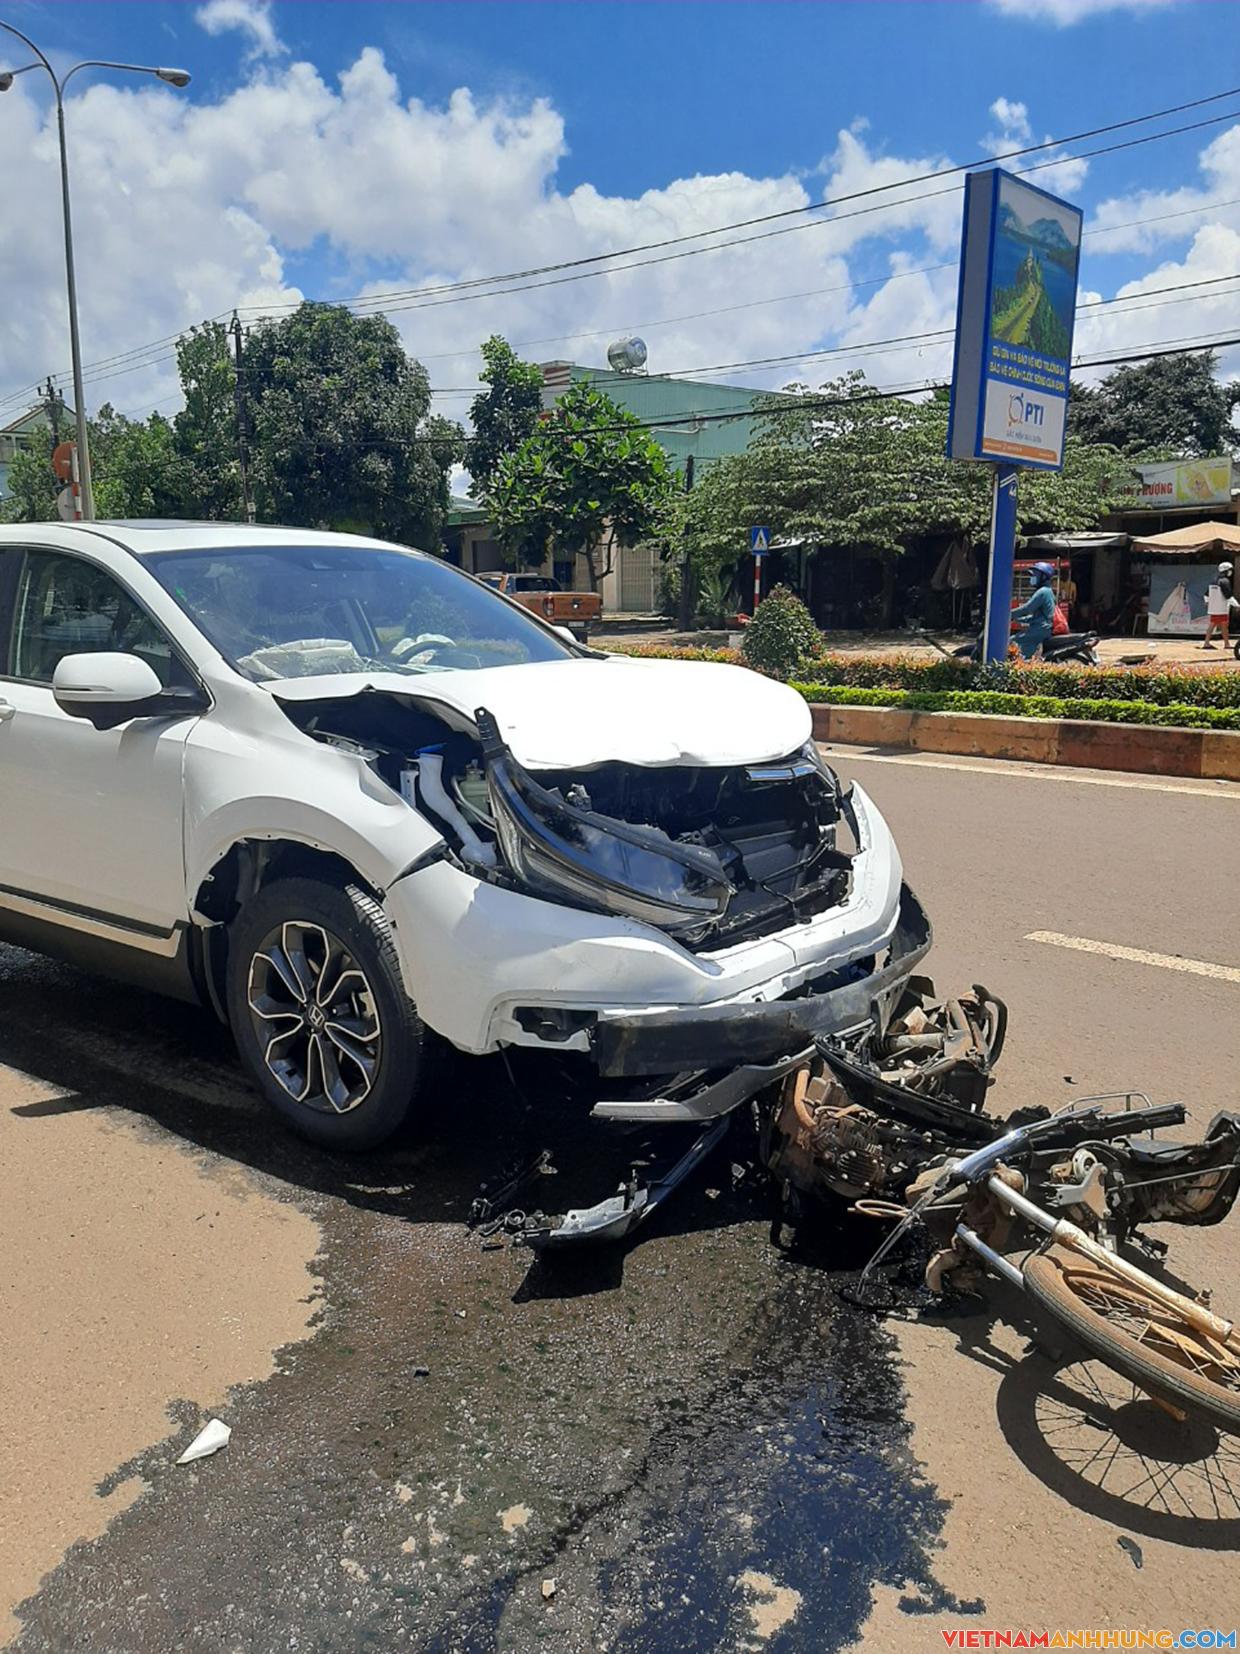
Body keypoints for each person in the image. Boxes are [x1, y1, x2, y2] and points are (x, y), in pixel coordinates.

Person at [1010, 561, 1058, 659]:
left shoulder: (1042, 592)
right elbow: (1037, 616)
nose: (1032, 578)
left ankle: (1019, 668)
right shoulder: (1048, 591)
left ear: (1043, 577)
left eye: (1035, 575)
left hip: (1039, 629)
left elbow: (1027, 608)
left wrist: (1008, 614)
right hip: (1042, 628)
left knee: (1012, 641)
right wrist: (1019, 620)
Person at [1203, 561, 1233, 650]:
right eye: (1230, 570)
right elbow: (1228, 596)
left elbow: (1206, 594)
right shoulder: (1225, 581)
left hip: (1214, 607)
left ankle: (1225, 643)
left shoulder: (1213, 580)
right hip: (1221, 607)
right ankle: (1207, 643)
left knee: (1217, 624)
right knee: (1219, 625)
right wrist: (1237, 605)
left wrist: (1207, 602)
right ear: (1226, 570)